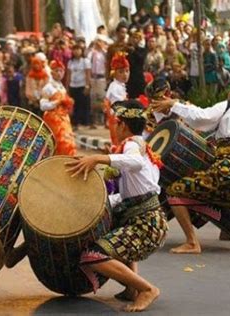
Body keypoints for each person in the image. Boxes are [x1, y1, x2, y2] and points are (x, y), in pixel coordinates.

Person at [65, 100, 167, 312]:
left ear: (122, 125)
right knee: (118, 233)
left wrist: (99, 158)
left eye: (115, 123)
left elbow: (135, 163)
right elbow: (130, 192)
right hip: (149, 221)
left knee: (92, 256)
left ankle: (147, 289)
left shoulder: (132, 145)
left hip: (146, 223)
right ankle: (131, 288)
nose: (114, 127)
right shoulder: (141, 146)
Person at [152, 85, 230, 253]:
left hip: (225, 171)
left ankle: (192, 242)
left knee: (175, 191)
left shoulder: (229, 106)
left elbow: (200, 117)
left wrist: (174, 104)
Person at [40, 60, 76, 156]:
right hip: (53, 119)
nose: (59, 73)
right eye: (56, 71)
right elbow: (43, 106)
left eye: (61, 71)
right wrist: (56, 103)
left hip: (64, 118)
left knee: (68, 141)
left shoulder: (62, 87)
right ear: (51, 72)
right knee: (58, 142)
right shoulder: (48, 88)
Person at [105, 52, 130, 146]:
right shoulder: (115, 87)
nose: (125, 74)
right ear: (114, 73)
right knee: (118, 144)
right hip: (117, 120)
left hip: (119, 119)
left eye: (127, 71)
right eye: (121, 72)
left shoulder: (119, 85)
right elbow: (119, 105)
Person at [67, 44, 92, 130]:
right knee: (75, 105)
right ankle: (75, 123)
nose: (76, 51)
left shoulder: (85, 61)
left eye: (78, 49)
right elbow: (69, 75)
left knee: (84, 105)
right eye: (75, 49)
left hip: (82, 85)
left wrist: (88, 86)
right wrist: (67, 87)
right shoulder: (70, 62)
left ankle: (85, 123)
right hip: (73, 86)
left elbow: (88, 74)